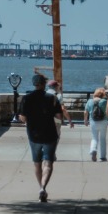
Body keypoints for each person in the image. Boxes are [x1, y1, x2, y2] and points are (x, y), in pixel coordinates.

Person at [21, 71, 69, 201]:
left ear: (34, 84)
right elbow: (59, 116)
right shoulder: (52, 98)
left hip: (33, 134)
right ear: (43, 84)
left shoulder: (26, 98)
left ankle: (41, 188)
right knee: (48, 162)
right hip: (49, 133)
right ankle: (43, 187)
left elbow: (22, 118)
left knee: (37, 163)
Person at [85, 82, 108, 163]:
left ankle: (93, 150)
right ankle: (103, 157)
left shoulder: (90, 101)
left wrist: (85, 120)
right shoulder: (104, 101)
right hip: (104, 121)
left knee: (94, 137)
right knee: (103, 138)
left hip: (93, 121)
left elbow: (86, 112)